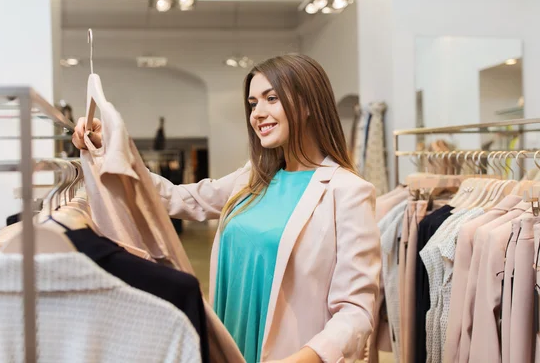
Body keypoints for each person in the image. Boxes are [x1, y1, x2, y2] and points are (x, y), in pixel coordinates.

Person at [72, 54, 381, 363]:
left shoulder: (348, 192)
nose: (257, 113)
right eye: (252, 103)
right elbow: (182, 198)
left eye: (271, 98)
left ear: (308, 103)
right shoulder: (254, 176)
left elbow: (356, 312)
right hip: (227, 347)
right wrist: (107, 148)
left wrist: (304, 358)